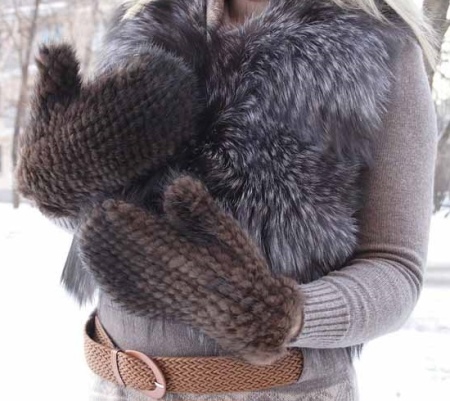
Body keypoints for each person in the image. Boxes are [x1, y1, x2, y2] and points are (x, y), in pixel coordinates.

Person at [16, 0, 438, 400]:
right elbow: (107, 232)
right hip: (116, 385)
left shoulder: (383, 50)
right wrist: (61, 183)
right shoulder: (141, 25)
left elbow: (395, 266)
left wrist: (285, 315)